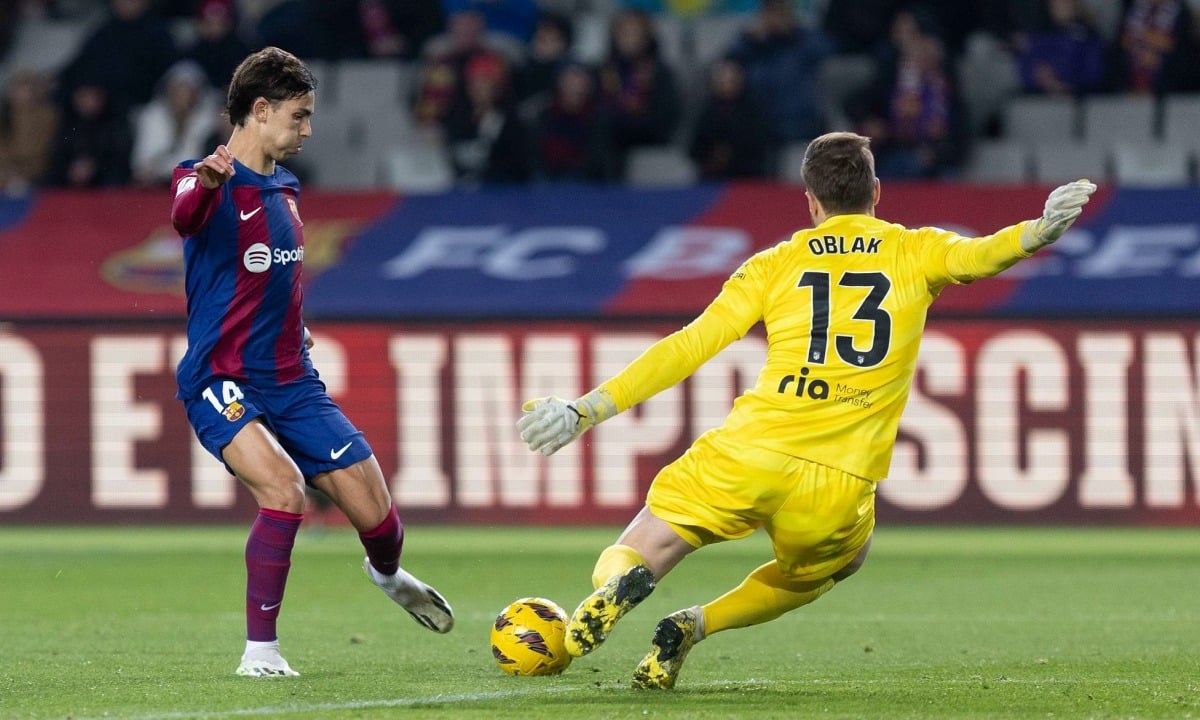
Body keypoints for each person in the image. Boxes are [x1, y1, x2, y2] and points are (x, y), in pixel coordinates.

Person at [517, 131, 1096, 690]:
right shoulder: (917, 250)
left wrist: (586, 410)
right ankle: (696, 625)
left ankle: (622, 582)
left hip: (750, 451)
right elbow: (982, 256)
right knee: (838, 564)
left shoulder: (775, 263)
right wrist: (1037, 231)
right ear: (876, 193)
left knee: (650, 542)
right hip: (839, 481)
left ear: (812, 202)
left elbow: (689, 345)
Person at [169, 46, 454, 678]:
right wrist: (209, 183)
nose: (307, 129)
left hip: (292, 379)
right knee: (284, 490)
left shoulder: (287, 187)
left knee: (378, 515)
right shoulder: (202, 177)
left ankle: (385, 575)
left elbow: (275, 280)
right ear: (261, 109)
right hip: (221, 377)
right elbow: (184, 210)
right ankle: (260, 653)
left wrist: (295, 331)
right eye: (299, 116)